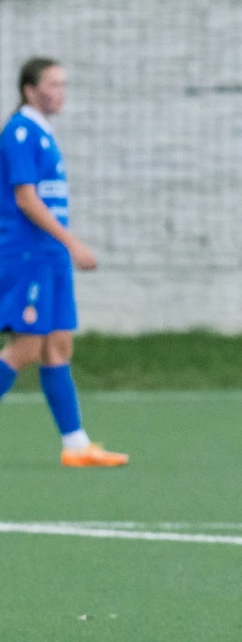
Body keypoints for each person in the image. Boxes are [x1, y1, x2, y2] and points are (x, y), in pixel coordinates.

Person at [0, 57, 127, 467]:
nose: (60, 93)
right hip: (28, 255)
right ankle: (75, 444)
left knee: (58, 346)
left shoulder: (43, 133)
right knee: (26, 347)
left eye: (63, 84)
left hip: (49, 257)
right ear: (29, 89)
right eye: (53, 84)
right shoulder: (19, 132)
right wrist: (72, 243)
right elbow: (26, 199)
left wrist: (62, 248)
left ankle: (76, 446)